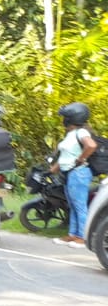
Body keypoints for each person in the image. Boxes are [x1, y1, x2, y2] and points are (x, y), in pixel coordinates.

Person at [50, 102, 99, 247]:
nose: (63, 120)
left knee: (79, 205)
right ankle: (73, 235)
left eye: (65, 117)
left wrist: (81, 159)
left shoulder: (81, 132)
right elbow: (67, 155)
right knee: (72, 205)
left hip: (79, 173)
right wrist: (54, 168)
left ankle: (82, 237)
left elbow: (91, 146)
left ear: (72, 118)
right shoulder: (70, 134)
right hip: (69, 173)